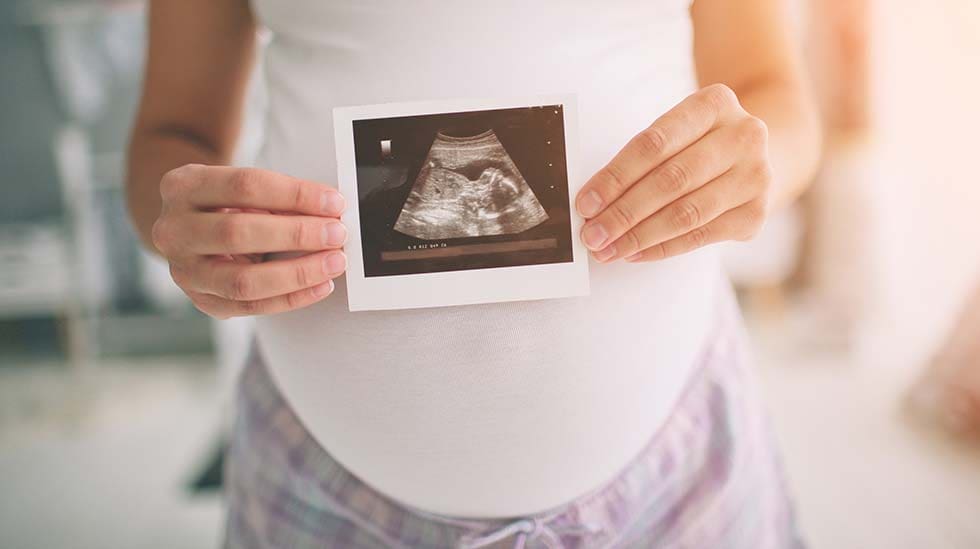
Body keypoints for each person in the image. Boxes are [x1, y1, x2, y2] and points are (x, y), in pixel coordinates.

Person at [126, 0, 820, 547]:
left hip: (675, 466)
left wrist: (765, 162)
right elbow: (171, 130)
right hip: (320, 483)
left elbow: (777, 97)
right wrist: (183, 221)